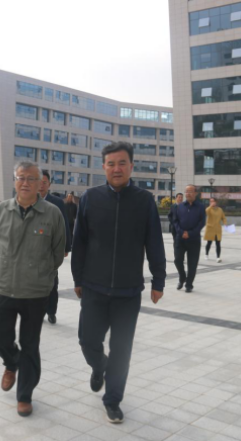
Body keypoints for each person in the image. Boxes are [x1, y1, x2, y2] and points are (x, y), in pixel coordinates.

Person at [72, 142, 166, 424]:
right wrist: (78, 278)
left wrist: (158, 280)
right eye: (111, 164)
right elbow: (80, 241)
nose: (116, 169)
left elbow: (154, 241)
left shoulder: (144, 200)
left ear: (131, 166)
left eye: (122, 163)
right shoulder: (90, 198)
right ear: (103, 167)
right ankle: (99, 365)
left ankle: (112, 400)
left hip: (128, 291)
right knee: (87, 340)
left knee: (122, 350)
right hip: (94, 287)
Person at [0, 161, 66, 417]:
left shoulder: (52, 213)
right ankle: (12, 362)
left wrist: (39, 273)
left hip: (36, 292)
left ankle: (25, 396)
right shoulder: (1, 210)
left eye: (31, 179)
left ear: (40, 183)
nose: (25, 183)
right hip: (3, 287)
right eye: (21, 177)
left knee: (30, 344)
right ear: (14, 181)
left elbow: (57, 253)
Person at [39, 170, 71, 325]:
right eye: (38, 182)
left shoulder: (57, 202)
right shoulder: (28, 200)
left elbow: (64, 224)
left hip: (51, 249)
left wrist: (66, 247)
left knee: (52, 282)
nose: (41, 185)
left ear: (49, 184)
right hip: (32, 249)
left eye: (44, 182)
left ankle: (51, 311)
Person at [172, 185, 206, 293]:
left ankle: (189, 284)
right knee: (177, 260)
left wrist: (190, 233)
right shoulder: (180, 206)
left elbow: (202, 222)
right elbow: (175, 221)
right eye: (186, 191)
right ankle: (182, 277)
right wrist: (181, 232)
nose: (188, 193)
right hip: (180, 238)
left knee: (192, 263)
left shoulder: (200, 207)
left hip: (194, 239)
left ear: (195, 193)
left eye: (190, 191)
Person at [204, 197, 227, 263]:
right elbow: (206, 212)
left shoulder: (220, 210)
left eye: (213, 201)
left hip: (217, 229)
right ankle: (206, 254)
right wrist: (210, 206)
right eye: (210, 201)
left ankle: (218, 257)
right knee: (209, 243)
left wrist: (225, 223)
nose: (212, 202)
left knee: (218, 243)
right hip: (210, 228)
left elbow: (223, 217)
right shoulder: (209, 209)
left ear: (216, 202)